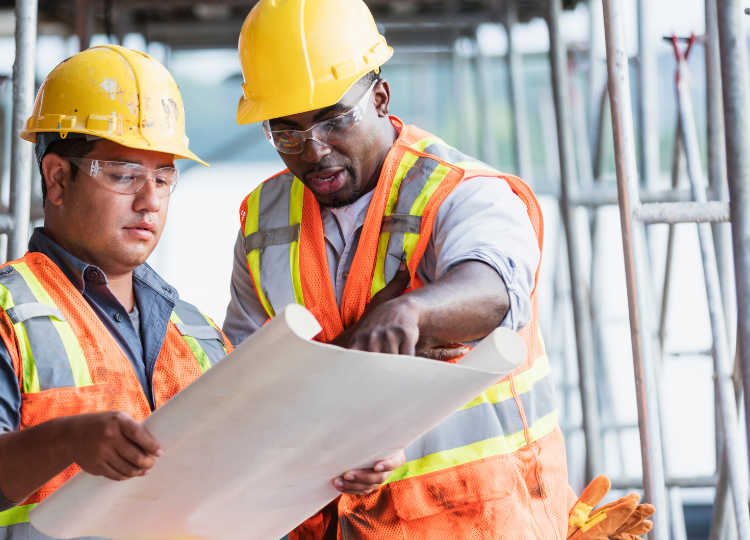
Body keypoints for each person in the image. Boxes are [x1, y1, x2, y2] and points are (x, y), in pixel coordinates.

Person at [224, 0, 570, 538]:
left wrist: (415, 309)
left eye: (333, 119)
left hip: (476, 522)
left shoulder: (460, 192)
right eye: (286, 131)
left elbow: (496, 291)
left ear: (380, 97)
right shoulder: (262, 222)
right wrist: (324, 440)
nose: (313, 150)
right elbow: (248, 384)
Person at [0, 44, 233, 540]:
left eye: (163, 178)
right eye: (124, 174)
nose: (149, 200)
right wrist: (67, 440)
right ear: (57, 178)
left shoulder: (198, 333)